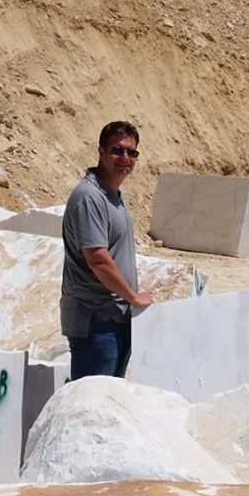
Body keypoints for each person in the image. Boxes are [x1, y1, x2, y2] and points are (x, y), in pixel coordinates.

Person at [61, 120, 153, 380]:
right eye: (117, 150)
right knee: (91, 408)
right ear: (101, 152)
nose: (125, 158)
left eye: (131, 152)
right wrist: (133, 297)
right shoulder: (90, 197)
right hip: (96, 321)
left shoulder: (113, 195)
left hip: (115, 319)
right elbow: (98, 259)